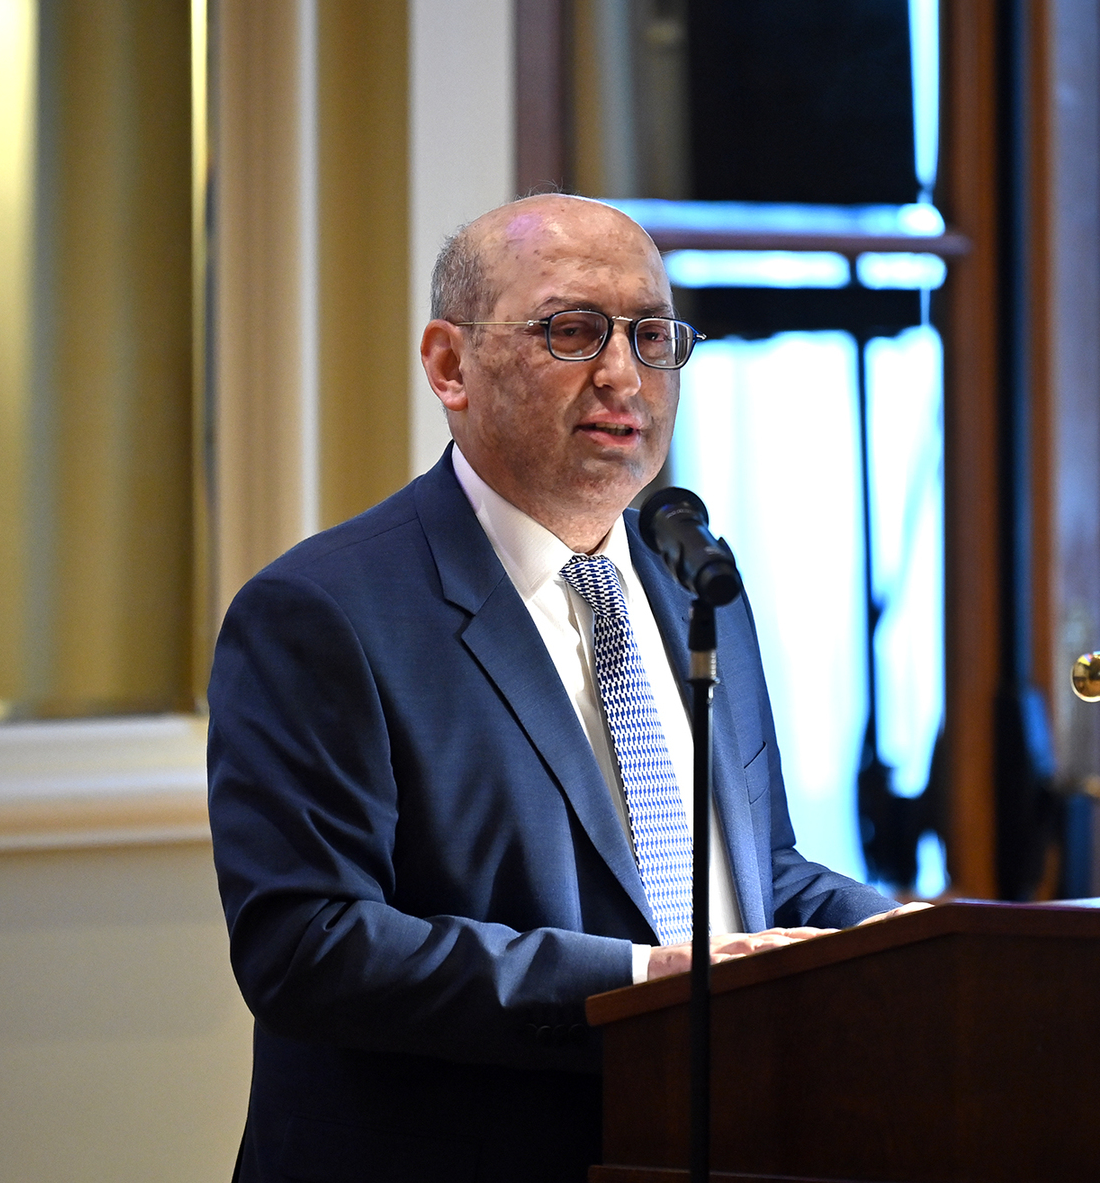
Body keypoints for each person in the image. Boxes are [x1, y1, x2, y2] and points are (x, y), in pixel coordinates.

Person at [207, 194, 904, 1183]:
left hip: (702, 1146)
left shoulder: (696, 581)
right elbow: (309, 948)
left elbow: (751, 872)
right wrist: (640, 981)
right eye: (573, 332)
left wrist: (908, 938)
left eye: (653, 336)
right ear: (450, 366)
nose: (623, 374)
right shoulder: (321, 613)